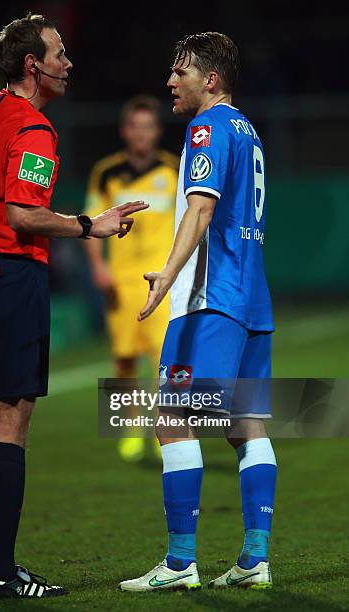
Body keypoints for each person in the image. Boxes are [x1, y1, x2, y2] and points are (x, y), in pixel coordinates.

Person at [0, 12, 147, 600]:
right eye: (59, 54)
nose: (67, 63)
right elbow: (23, 214)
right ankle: (1, 571)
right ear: (33, 65)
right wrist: (86, 225)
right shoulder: (35, 128)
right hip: (10, 277)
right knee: (10, 426)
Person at [119, 32, 277, 592]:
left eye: (179, 71)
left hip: (208, 298)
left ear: (210, 80)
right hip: (251, 298)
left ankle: (181, 563)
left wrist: (167, 274)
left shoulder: (207, 127)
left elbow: (202, 209)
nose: (170, 82)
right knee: (244, 423)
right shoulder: (249, 130)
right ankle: (255, 557)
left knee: (170, 418)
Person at [84, 96, 178, 462]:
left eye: (148, 126)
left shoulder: (173, 169)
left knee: (167, 359)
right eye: (135, 126)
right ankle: (130, 428)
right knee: (123, 358)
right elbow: (91, 220)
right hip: (121, 281)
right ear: (125, 131)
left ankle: (164, 427)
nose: (141, 133)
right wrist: (98, 266)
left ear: (157, 131)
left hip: (162, 280)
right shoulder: (106, 172)